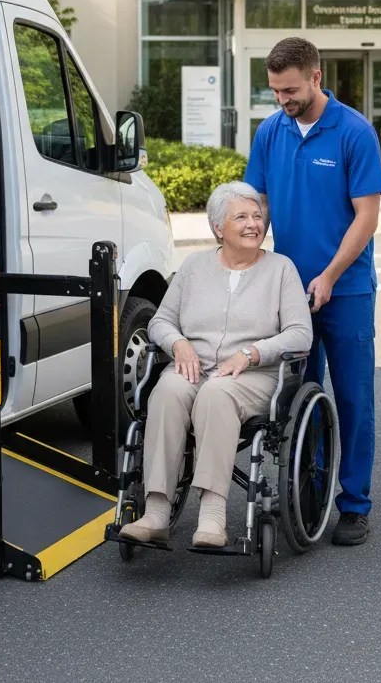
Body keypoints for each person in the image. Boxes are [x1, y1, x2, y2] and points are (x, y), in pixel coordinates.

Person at [244, 37, 381, 547]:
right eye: (276, 90)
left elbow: (367, 217)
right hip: (289, 293)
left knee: (352, 397)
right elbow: (256, 205)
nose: (283, 99)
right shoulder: (270, 132)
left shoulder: (353, 132)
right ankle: (311, 487)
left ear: (316, 77)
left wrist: (327, 276)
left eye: (290, 89)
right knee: (296, 396)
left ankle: (354, 503)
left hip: (344, 290)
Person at [118, 181, 312, 549]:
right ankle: (156, 510)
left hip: (252, 375)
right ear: (218, 228)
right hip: (195, 367)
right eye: (241, 217)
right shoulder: (194, 267)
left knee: (216, 395)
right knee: (169, 391)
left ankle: (212, 514)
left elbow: (301, 334)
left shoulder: (280, 269)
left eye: (258, 216)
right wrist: (178, 345)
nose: (254, 223)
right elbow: (160, 321)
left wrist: (253, 353)